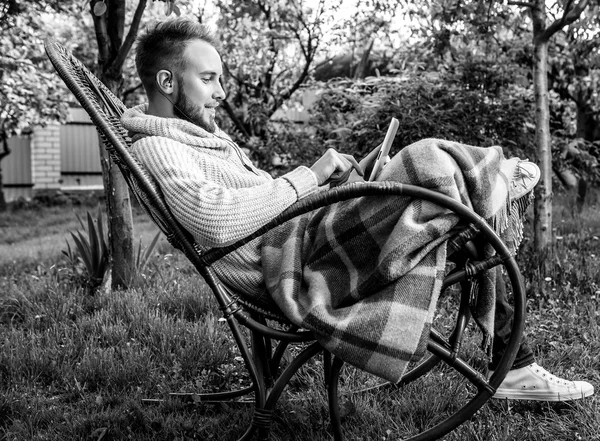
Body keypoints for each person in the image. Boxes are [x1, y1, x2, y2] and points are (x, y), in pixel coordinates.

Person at [121, 17, 593, 401]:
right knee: (426, 160)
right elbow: (220, 221)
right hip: (292, 261)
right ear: (166, 81)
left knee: (445, 212)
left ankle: (517, 365)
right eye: (208, 79)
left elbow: (255, 200)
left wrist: (339, 181)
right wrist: (309, 175)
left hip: (301, 236)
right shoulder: (159, 150)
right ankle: (496, 176)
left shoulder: (197, 137)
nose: (221, 92)